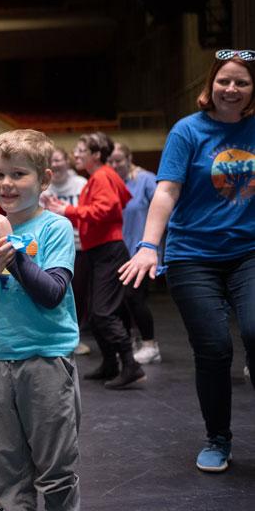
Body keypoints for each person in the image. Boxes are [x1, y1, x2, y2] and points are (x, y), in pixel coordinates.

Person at [119, 49, 255, 473]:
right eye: (224, 80)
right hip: (193, 256)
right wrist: (147, 245)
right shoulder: (188, 131)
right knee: (214, 347)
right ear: (211, 84)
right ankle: (218, 438)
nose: (231, 89)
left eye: (242, 82)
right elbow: (166, 191)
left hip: (249, 252)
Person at [0, 129, 80, 511]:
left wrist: (13, 251)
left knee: (56, 465)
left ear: (44, 180)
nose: (6, 184)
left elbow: (52, 294)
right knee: (7, 467)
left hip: (46, 361)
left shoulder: (55, 228)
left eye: (18, 174)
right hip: (0, 360)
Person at [44, 132, 144, 389]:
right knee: (95, 312)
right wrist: (64, 209)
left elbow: (107, 209)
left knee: (102, 312)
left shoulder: (101, 176)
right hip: (99, 251)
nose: (75, 154)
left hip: (107, 250)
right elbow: (102, 210)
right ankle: (111, 363)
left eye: (80, 150)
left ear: (96, 154)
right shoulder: (99, 177)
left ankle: (130, 364)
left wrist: (67, 210)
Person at [108, 142, 161, 364]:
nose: (114, 164)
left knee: (135, 298)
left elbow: (163, 210)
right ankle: (132, 343)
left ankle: (150, 345)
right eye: (110, 161)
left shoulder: (146, 180)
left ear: (129, 158)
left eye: (118, 160)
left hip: (141, 251)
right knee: (121, 302)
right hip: (118, 252)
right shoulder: (111, 182)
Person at [42, 147, 90, 355]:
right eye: (51, 161)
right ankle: (54, 336)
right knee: (53, 293)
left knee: (77, 295)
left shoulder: (81, 184)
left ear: (67, 161)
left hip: (80, 247)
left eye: (59, 159)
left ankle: (74, 337)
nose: (55, 164)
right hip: (51, 249)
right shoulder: (43, 188)